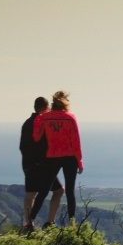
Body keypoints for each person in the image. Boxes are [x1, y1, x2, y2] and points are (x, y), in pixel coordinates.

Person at [30, 91, 84, 224]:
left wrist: (39, 118)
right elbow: (76, 141)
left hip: (53, 156)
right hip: (70, 157)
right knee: (70, 192)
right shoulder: (70, 117)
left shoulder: (44, 117)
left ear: (53, 103)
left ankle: (30, 220)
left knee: (43, 190)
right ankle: (72, 224)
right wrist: (80, 162)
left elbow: (36, 137)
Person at [20, 97, 65, 231]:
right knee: (58, 191)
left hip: (29, 165)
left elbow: (23, 147)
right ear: (45, 108)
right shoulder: (43, 123)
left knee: (31, 194)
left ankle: (28, 224)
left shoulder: (27, 123)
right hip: (44, 166)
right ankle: (49, 223)